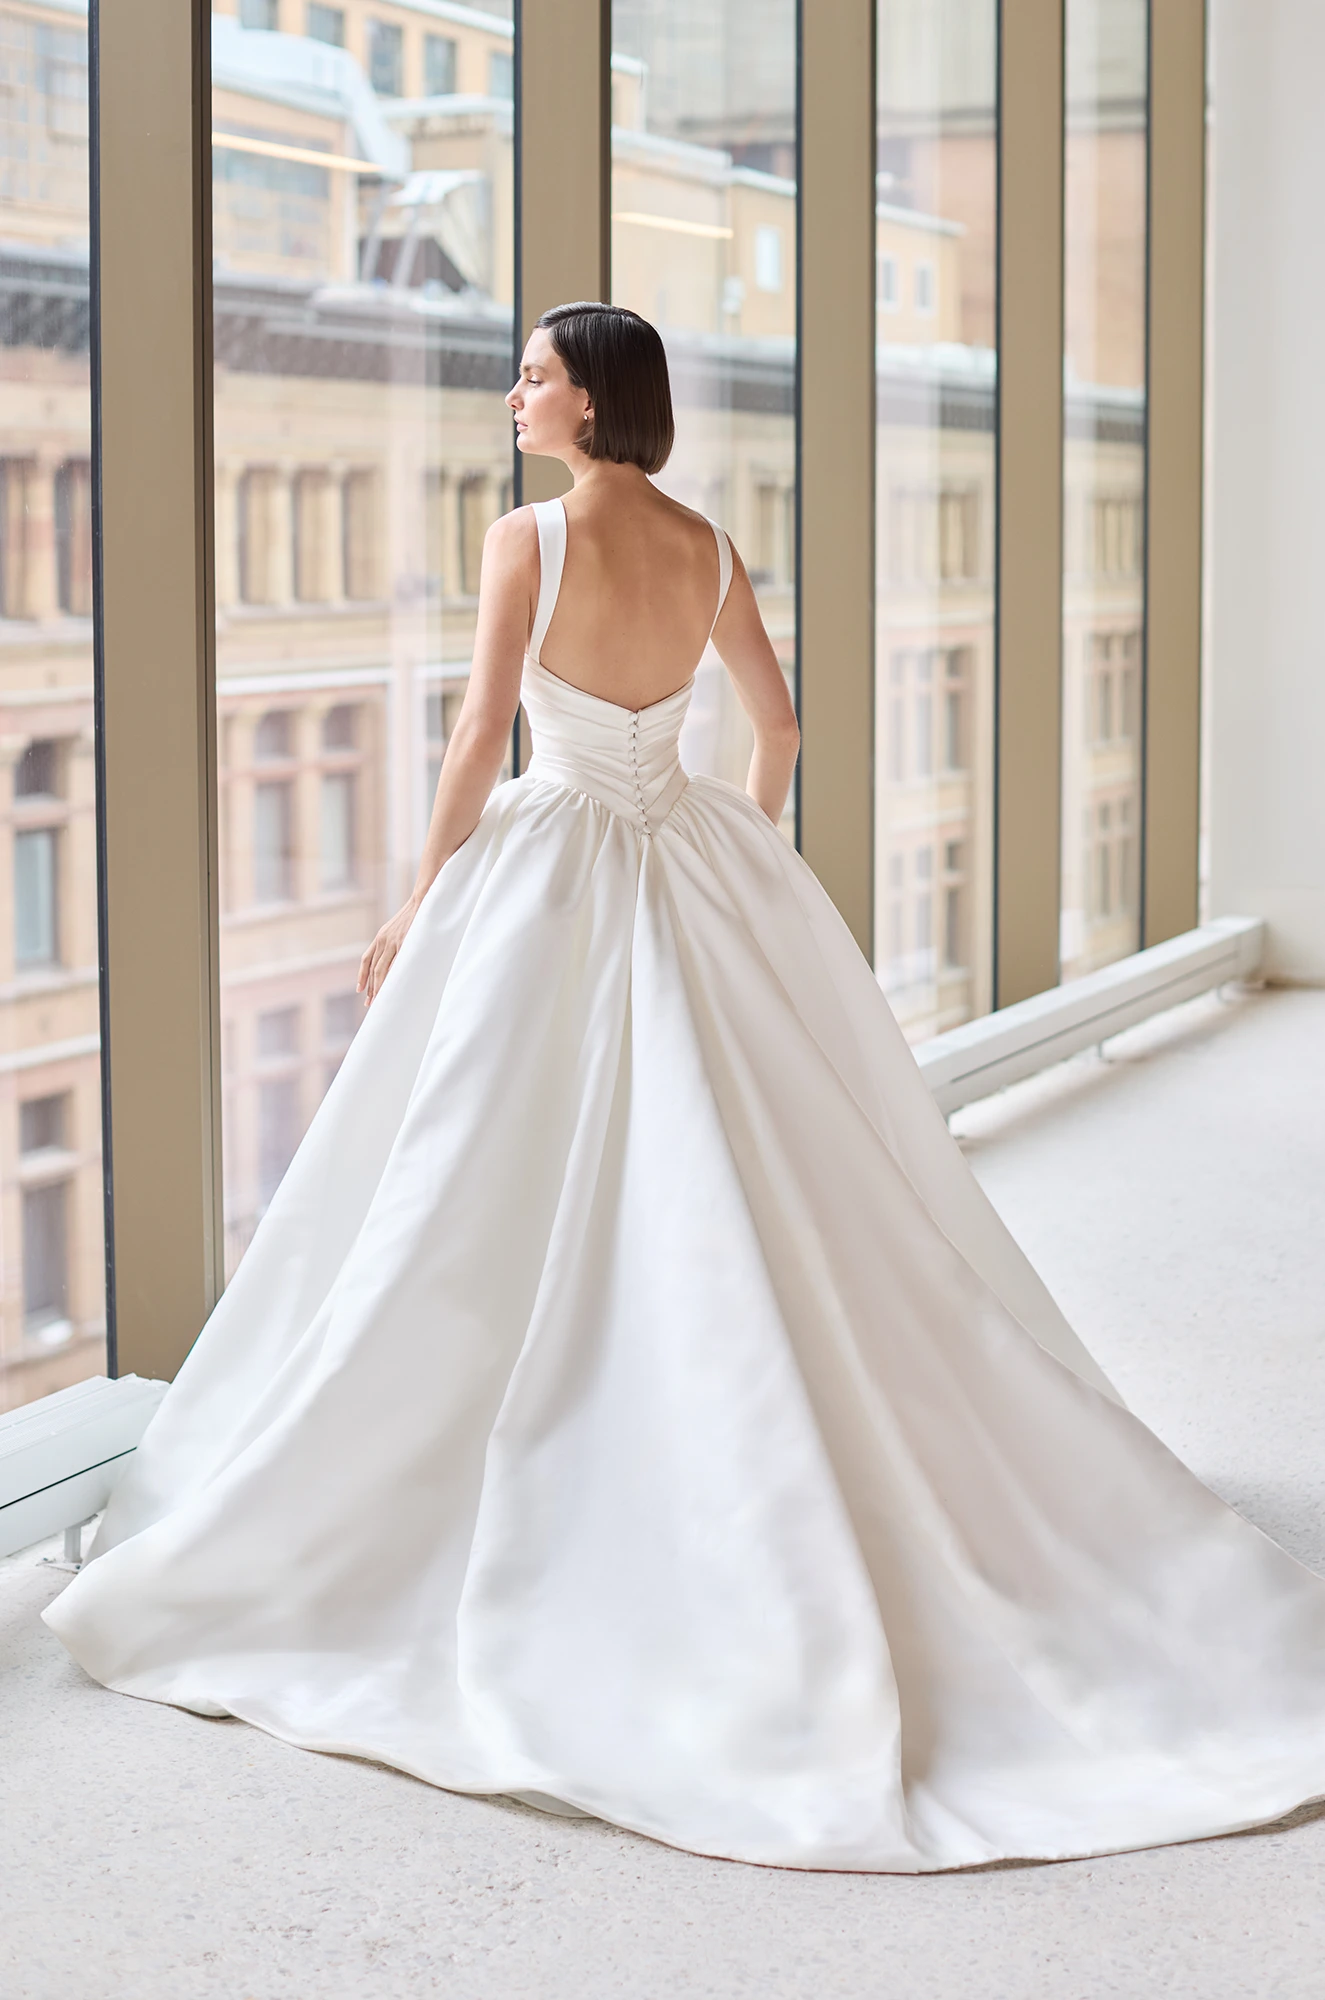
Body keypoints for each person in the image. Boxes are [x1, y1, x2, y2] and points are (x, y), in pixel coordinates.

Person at [44, 303, 1325, 1874]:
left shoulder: (529, 539)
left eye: (535, 375)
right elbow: (776, 727)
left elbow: (476, 740)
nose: (512, 392)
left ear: (592, 406)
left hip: (550, 866)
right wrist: (731, 843)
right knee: (748, 1182)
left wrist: (424, 895)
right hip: (685, 856)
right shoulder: (712, 542)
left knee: (471, 1178)